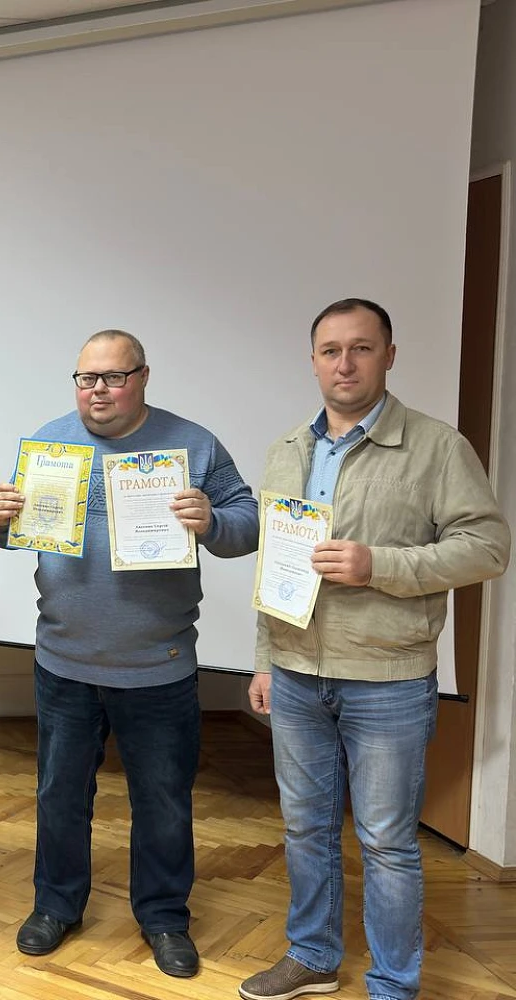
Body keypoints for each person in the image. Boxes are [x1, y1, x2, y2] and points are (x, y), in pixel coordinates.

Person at [239, 299, 510, 1000]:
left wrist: (377, 565)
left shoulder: (436, 447)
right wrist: (265, 658)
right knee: (304, 829)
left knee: (387, 841)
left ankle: (393, 984)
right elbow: (276, 562)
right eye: (330, 350)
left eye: (361, 348)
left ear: (389, 356)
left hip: (387, 677)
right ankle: (313, 957)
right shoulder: (287, 450)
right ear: (313, 362)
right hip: (295, 673)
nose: (345, 364)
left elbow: (487, 546)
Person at [0, 329, 258, 977]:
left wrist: (212, 521)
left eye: (112, 377)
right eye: (86, 379)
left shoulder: (193, 445)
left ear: (142, 377)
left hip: (157, 664)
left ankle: (163, 917)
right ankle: (55, 906)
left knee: (162, 800)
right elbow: (11, 534)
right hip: (64, 661)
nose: (98, 391)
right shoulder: (49, 443)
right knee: (59, 795)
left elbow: (247, 523)